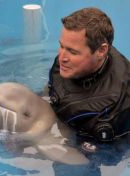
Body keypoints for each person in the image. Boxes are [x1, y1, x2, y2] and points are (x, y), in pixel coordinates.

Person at [48, 7, 130, 143]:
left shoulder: (108, 113)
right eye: (61, 46)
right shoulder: (70, 61)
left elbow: (102, 157)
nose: (62, 57)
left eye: (72, 52)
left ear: (101, 51)